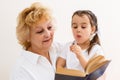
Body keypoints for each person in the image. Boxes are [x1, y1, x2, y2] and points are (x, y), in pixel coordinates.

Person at [10, 2, 62, 80]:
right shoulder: (21, 71)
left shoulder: (59, 48)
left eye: (49, 27)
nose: (48, 34)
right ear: (27, 36)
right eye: (40, 31)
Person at [56, 10, 106, 80]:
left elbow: (93, 73)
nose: (78, 30)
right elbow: (59, 67)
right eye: (75, 27)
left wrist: (80, 56)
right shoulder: (68, 46)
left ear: (92, 29)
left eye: (83, 27)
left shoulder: (96, 49)